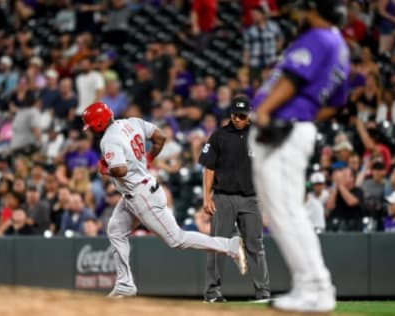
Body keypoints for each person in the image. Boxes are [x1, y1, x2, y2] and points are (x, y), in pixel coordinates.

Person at [82, 102, 247, 298]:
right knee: (116, 230)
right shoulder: (132, 122)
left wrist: (106, 169)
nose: (90, 129)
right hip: (138, 190)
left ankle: (230, 246)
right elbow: (160, 137)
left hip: (141, 195)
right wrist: (148, 159)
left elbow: (120, 170)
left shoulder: (109, 139)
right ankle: (125, 285)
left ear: (99, 123)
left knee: (177, 239)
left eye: (91, 125)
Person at [248, 0, 350, 312]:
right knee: (286, 213)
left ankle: (315, 288)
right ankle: (314, 287)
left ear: (316, 11)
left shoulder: (319, 37)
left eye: (304, 10)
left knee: (287, 213)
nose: (299, 15)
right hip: (295, 127)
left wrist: (264, 111)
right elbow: (338, 100)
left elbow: (292, 80)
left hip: (284, 131)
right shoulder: (339, 45)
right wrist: (306, 117)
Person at [198, 95, 270, 303]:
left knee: (255, 245)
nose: (237, 118)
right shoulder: (219, 135)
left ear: (249, 116)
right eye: (235, 114)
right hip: (223, 198)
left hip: (251, 198)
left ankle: (263, 292)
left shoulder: (257, 136)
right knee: (218, 246)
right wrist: (207, 197)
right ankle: (212, 293)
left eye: (242, 115)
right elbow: (209, 168)